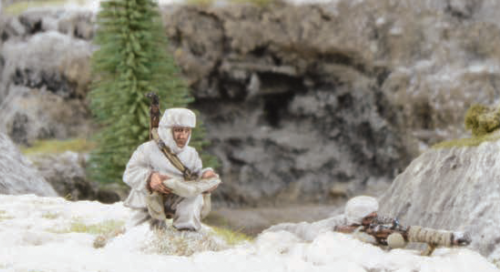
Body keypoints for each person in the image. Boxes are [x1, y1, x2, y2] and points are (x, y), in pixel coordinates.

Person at [264, 196, 470, 255]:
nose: (375, 219)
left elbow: (413, 233)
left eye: (375, 215)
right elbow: (305, 230)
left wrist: (447, 238)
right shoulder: (336, 224)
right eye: (370, 217)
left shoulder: (383, 224)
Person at [122, 108, 219, 231]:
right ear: (167, 130)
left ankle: (186, 231)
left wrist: (206, 175)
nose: (183, 135)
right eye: (178, 130)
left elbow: (195, 174)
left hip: (177, 197)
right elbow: (129, 173)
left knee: (194, 198)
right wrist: (150, 178)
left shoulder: (191, 153)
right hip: (148, 200)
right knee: (139, 233)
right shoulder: (147, 149)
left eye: (187, 131)